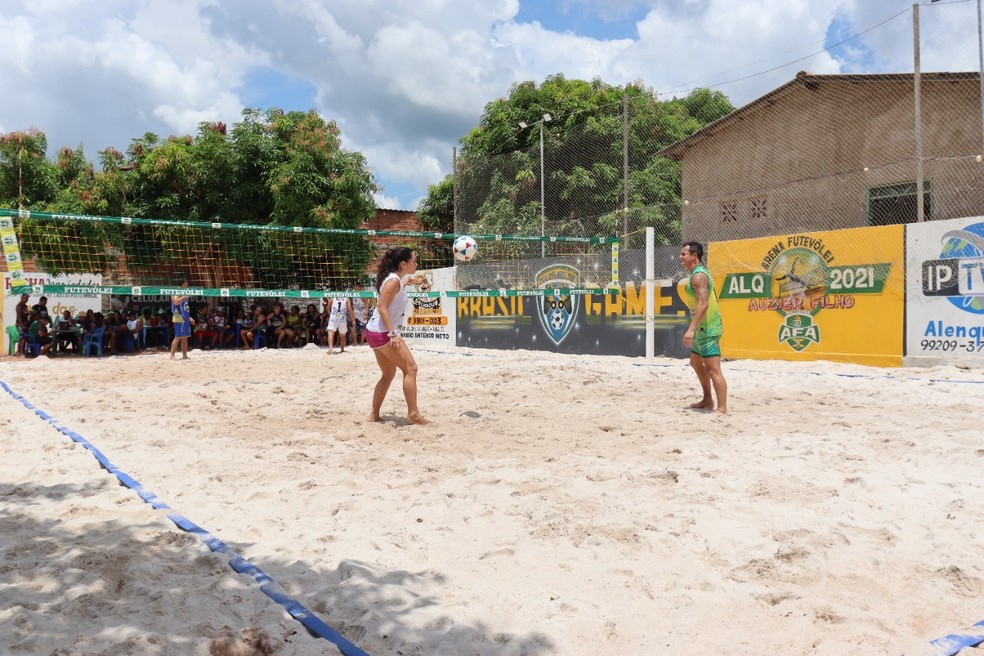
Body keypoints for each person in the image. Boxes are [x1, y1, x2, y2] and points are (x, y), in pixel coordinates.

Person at [364, 247, 428, 425]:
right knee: (411, 369)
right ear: (403, 264)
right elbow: (382, 307)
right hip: (383, 333)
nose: (417, 264)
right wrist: (393, 334)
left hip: (374, 332)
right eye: (414, 261)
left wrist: (406, 282)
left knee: (388, 374)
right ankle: (413, 414)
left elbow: (392, 296)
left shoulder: (395, 280)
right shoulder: (393, 281)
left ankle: (374, 415)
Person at [680, 241, 728, 414]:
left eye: (683, 254)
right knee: (695, 362)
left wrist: (691, 328)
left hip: (708, 327)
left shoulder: (698, 276)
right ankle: (707, 399)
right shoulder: (697, 274)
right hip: (702, 326)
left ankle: (722, 408)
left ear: (694, 256)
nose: (681, 257)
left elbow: (704, 303)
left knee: (713, 369)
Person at [169, 279, 194, 359]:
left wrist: (189, 317)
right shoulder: (176, 291)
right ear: (184, 283)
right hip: (179, 316)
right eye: (187, 282)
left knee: (185, 337)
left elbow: (185, 306)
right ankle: (172, 355)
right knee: (178, 336)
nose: (188, 284)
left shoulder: (185, 292)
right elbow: (175, 302)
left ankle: (184, 355)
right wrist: (184, 297)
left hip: (185, 316)